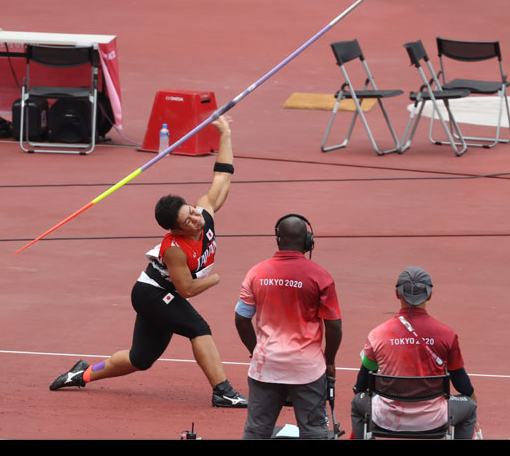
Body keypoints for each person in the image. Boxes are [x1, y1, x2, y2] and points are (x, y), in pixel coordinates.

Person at [49, 115, 247, 408]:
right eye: (188, 220)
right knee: (198, 328)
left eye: (191, 211)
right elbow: (188, 289)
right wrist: (215, 279)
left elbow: (223, 175)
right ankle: (223, 391)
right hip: (152, 295)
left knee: (140, 359)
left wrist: (226, 134)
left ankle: (83, 373)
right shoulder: (174, 249)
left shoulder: (204, 213)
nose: (196, 218)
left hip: (160, 295)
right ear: (175, 230)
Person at [234, 214, 342, 438]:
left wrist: (255, 350)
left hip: (266, 365)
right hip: (307, 369)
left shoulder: (257, 272)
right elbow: (334, 326)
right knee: (314, 431)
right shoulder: (320, 277)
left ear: (278, 239)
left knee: (257, 430)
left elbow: (241, 318)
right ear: (307, 242)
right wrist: (329, 360)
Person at [350, 266, 478, 439]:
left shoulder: (377, 334)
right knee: (470, 407)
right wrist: (473, 399)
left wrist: (361, 391)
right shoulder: (447, 335)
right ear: (430, 294)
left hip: (388, 419)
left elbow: (362, 383)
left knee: (357, 403)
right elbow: (461, 383)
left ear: (397, 293)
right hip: (434, 420)